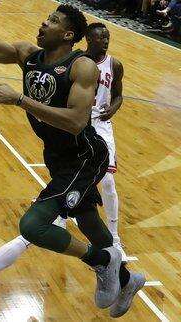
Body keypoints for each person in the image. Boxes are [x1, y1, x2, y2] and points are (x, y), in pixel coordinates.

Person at [0, 0, 144, 317]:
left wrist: (19, 99)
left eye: (53, 21)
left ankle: (101, 261)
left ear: (68, 34)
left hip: (85, 154)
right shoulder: (28, 55)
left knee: (33, 226)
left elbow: (75, 122)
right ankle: (127, 279)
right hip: (57, 155)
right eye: (46, 18)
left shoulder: (81, 66)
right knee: (87, 219)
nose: (43, 23)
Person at [85, 23, 127, 260]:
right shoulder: (78, 60)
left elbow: (119, 95)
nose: (106, 40)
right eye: (101, 37)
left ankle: (114, 235)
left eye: (107, 37)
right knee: (71, 171)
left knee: (108, 181)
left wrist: (113, 108)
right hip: (79, 120)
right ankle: (61, 214)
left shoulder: (115, 64)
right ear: (89, 39)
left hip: (102, 124)